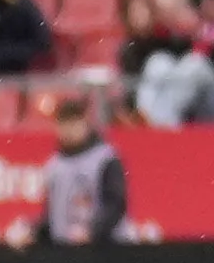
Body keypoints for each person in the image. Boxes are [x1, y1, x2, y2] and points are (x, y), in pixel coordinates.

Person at [11, 95, 131, 247]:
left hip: (104, 249)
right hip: (66, 251)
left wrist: (92, 232)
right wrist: (33, 232)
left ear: (84, 123)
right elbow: (53, 216)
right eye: (64, 123)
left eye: (73, 123)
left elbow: (116, 205)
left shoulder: (105, 159)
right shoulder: (54, 166)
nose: (68, 130)